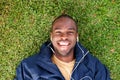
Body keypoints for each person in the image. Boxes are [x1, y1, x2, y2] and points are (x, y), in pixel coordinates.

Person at [15, 14, 111, 80]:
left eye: (70, 32)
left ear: (76, 37)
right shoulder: (29, 67)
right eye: (58, 32)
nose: (64, 37)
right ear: (51, 36)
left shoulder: (95, 66)